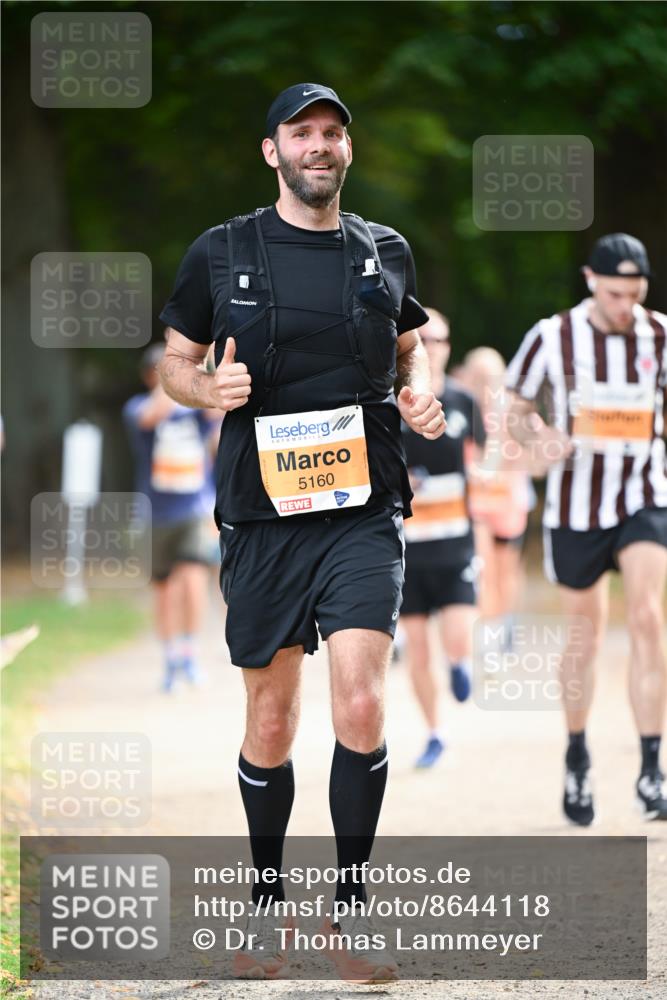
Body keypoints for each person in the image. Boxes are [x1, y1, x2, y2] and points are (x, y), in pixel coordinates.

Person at [156, 83, 445, 982]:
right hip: (262, 517)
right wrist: (207, 391)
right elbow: (174, 361)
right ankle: (267, 908)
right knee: (272, 720)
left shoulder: (381, 251)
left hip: (360, 509)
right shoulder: (222, 252)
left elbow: (411, 343)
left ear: (346, 152)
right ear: (271, 151)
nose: (318, 145)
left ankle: (348, 918)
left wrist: (421, 387)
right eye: (301, 133)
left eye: (332, 133)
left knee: (360, 703)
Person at [505, 233, 667, 824]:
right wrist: (541, 438)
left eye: (636, 293)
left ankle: (652, 769)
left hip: (644, 493)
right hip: (576, 502)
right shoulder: (554, 336)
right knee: (586, 634)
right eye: (616, 293)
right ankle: (577, 757)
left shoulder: (660, 333)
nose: (626, 306)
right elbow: (514, 407)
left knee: (648, 615)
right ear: (591, 281)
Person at [400, 309, 485, 768]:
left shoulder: (464, 402)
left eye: (442, 340)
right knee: (417, 648)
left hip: (455, 546)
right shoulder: (389, 404)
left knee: (456, 636)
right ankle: (434, 732)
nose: (435, 348)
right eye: (426, 340)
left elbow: (486, 462)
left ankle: (460, 665)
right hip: (408, 551)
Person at [123, 344, 220, 692]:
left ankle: (189, 652)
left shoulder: (194, 410)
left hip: (193, 509)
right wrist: (177, 380)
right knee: (164, 589)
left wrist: (204, 363)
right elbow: (150, 416)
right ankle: (170, 658)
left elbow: (216, 408)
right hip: (154, 513)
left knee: (194, 579)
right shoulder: (138, 408)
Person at [462, 347, 537, 637]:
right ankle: (488, 628)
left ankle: (505, 623)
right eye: (478, 376)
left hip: (510, 504)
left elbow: (537, 450)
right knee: (483, 567)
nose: (484, 383)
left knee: (508, 569)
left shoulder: (515, 409)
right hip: (476, 506)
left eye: (490, 376)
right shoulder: (460, 406)